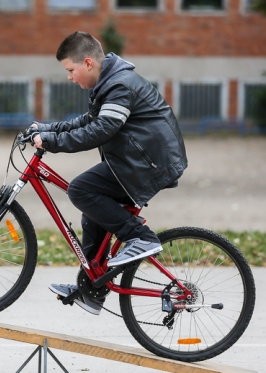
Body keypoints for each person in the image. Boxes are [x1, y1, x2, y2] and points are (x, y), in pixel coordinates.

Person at [28, 31, 188, 315]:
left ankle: (141, 238)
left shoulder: (119, 85)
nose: (69, 77)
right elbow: (90, 121)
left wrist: (52, 143)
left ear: (88, 63)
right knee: (93, 210)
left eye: (70, 70)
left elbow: (102, 130)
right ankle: (91, 289)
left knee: (81, 190)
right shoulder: (107, 83)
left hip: (150, 163)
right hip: (137, 160)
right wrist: (47, 129)